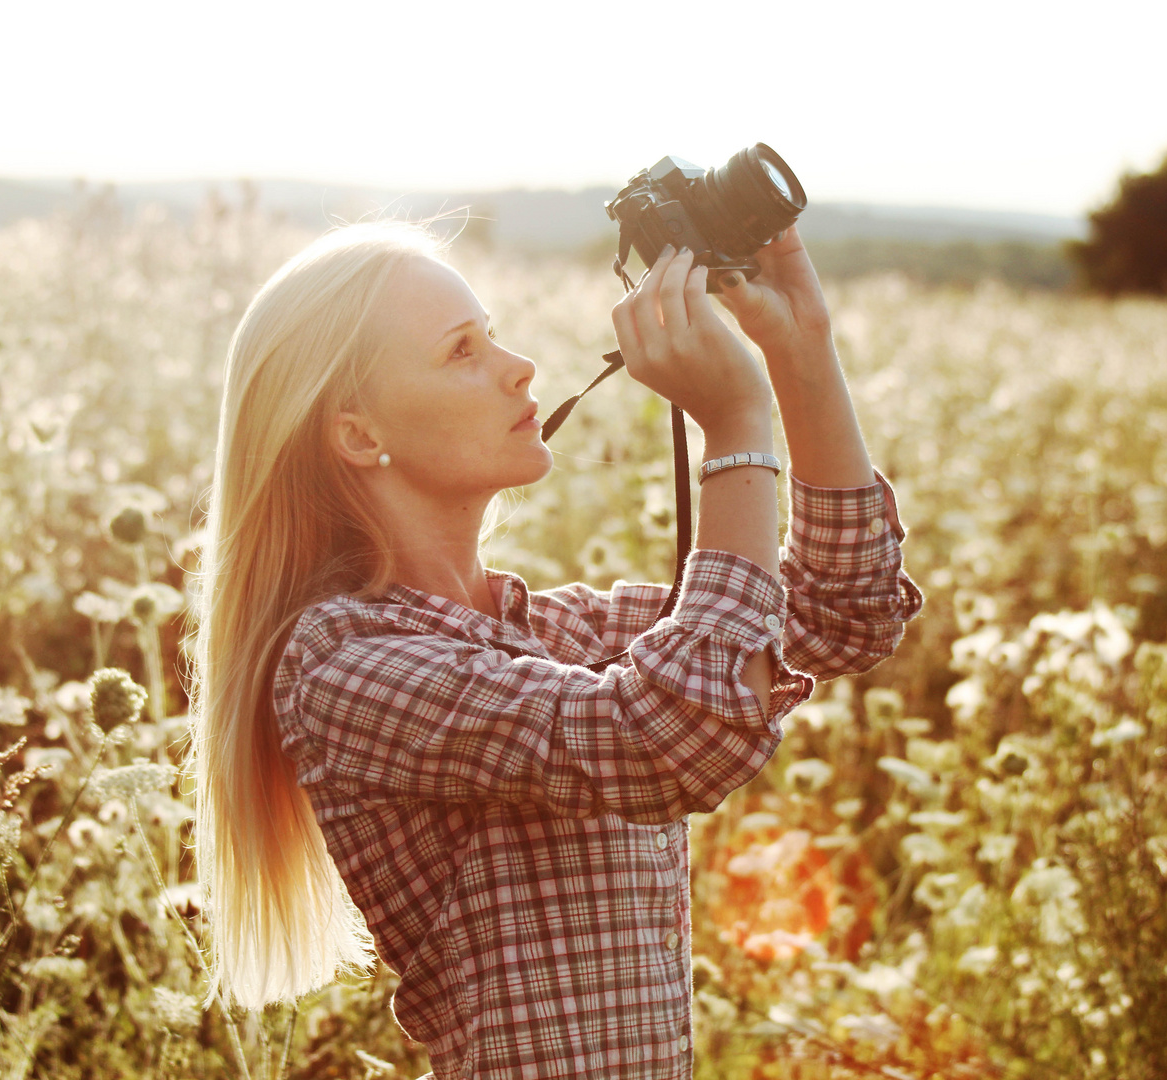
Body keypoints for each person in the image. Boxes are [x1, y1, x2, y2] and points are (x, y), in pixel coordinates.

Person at [187, 219, 923, 1079]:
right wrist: (733, 423)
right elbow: (675, 734)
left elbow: (844, 613)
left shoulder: (559, 636)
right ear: (356, 435)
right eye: (462, 350)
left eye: (492, 334)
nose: (517, 366)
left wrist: (801, 355)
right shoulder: (344, 664)